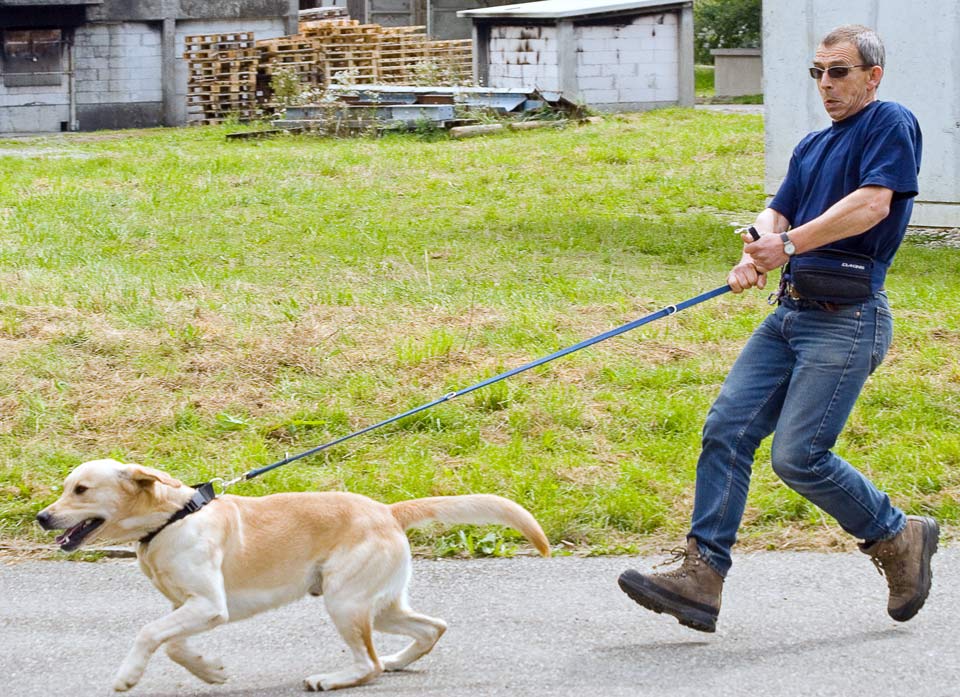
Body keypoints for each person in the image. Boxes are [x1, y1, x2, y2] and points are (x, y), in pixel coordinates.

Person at [617, 24, 936, 633]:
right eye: (817, 72)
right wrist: (758, 244)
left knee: (800, 457)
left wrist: (787, 243)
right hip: (790, 315)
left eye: (838, 71)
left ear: (873, 75)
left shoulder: (889, 122)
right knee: (726, 431)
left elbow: (873, 204)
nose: (825, 83)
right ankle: (702, 577)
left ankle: (899, 535)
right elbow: (778, 207)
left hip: (848, 322)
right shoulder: (814, 146)